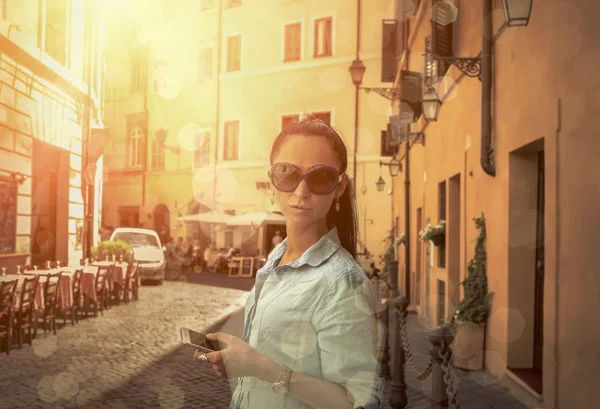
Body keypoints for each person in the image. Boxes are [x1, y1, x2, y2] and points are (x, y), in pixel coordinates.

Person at [193, 118, 383, 408]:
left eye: (320, 177)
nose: (301, 191)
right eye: (287, 173)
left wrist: (261, 368)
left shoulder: (343, 281)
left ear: (339, 187)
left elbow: (358, 401)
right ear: (271, 179)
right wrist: (239, 358)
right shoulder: (275, 259)